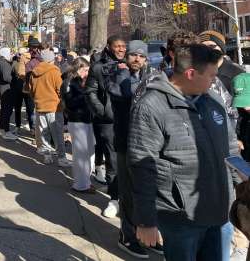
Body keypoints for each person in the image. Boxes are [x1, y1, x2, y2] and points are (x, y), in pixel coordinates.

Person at [129, 44, 239, 261]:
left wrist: (242, 182)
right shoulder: (151, 107)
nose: (215, 81)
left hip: (220, 211)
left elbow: (231, 145)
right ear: (190, 74)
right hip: (180, 217)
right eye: (211, 75)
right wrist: (146, 221)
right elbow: (142, 167)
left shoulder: (213, 101)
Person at [109, 40, 159, 258]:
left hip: (149, 144)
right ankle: (127, 236)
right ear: (126, 57)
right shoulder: (118, 76)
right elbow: (126, 94)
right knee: (128, 193)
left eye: (141, 56)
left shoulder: (152, 76)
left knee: (148, 193)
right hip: (126, 143)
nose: (137, 59)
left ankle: (147, 234)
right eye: (133, 55)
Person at [85, 34, 127, 218]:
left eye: (123, 46)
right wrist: (102, 111)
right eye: (117, 46)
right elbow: (91, 92)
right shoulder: (98, 67)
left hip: (129, 119)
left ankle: (128, 197)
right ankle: (115, 199)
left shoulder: (132, 63)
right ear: (109, 47)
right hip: (108, 121)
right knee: (113, 159)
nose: (121, 49)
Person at [30, 49, 70, 167]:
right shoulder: (55, 72)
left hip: (39, 106)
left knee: (44, 133)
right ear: (51, 60)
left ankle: (47, 155)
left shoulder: (34, 72)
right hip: (54, 107)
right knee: (57, 133)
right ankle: (62, 158)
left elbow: (31, 90)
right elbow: (61, 90)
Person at [62, 57, 95, 192]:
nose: (87, 73)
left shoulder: (80, 81)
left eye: (88, 70)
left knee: (89, 152)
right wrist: (86, 94)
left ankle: (85, 180)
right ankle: (81, 184)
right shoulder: (69, 82)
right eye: (85, 70)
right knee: (81, 154)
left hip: (86, 119)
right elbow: (70, 103)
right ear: (78, 68)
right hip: (77, 120)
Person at [0, 47, 17, 140]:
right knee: (7, 111)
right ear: (5, 54)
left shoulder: (2, 62)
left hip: (4, 89)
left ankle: (2, 130)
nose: (10, 55)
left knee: (4, 110)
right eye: (9, 53)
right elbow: (6, 77)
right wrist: (15, 78)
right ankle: (6, 131)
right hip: (6, 89)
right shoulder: (3, 63)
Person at [11, 52, 32, 134]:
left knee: (23, 108)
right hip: (23, 87)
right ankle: (30, 127)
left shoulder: (19, 63)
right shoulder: (18, 64)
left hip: (22, 86)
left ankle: (19, 126)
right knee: (28, 108)